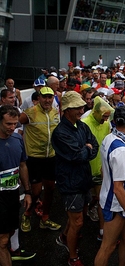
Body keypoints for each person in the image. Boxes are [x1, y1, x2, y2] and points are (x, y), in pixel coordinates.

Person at [52, 91, 99, 266]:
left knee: (80, 216)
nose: (81, 110)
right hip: (70, 183)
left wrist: (86, 150)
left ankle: (65, 237)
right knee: (77, 222)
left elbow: (94, 145)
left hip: (83, 179)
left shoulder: (81, 126)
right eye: (77, 107)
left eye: (81, 107)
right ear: (66, 110)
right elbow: (76, 155)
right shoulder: (60, 132)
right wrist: (86, 150)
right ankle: (73, 257)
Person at [94, 106, 125, 266]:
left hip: (115, 200)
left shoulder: (110, 138)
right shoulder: (121, 149)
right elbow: (118, 188)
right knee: (107, 247)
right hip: (116, 204)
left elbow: (103, 169)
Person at [20, 87, 61, 233]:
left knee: (50, 188)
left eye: (50, 97)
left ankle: (45, 217)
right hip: (34, 158)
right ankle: (27, 214)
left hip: (51, 157)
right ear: (39, 98)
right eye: (45, 97)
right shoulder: (30, 113)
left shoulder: (56, 113)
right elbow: (14, 124)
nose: (48, 100)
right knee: (36, 191)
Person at [0, 105, 35, 265]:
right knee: (3, 240)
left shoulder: (17, 139)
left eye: (15, 124)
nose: (13, 127)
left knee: (11, 231)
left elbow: (22, 165)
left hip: (13, 194)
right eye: (8, 124)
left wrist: (27, 192)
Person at [82, 97, 114, 241]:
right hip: (85, 169)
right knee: (83, 201)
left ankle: (102, 230)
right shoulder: (84, 124)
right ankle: (77, 229)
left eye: (108, 117)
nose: (106, 119)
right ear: (96, 112)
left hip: (100, 169)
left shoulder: (106, 124)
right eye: (104, 116)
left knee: (102, 199)